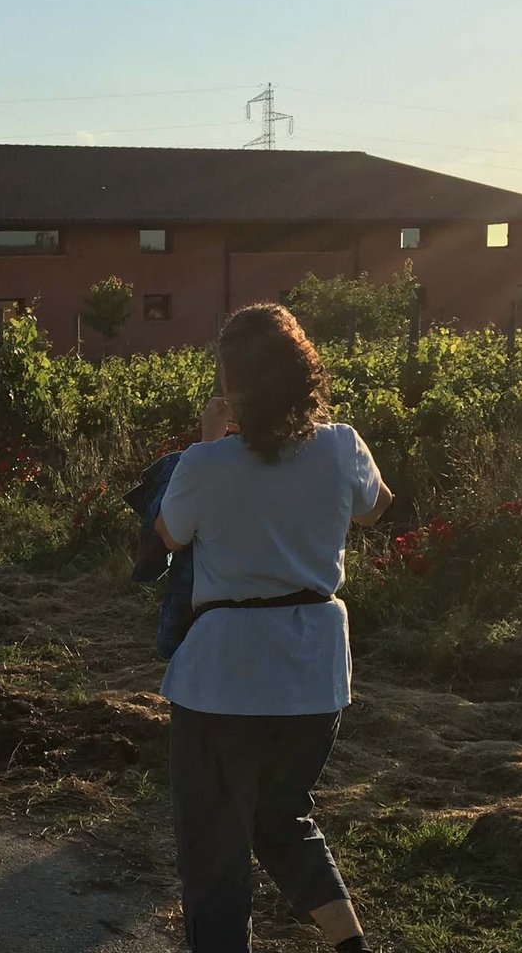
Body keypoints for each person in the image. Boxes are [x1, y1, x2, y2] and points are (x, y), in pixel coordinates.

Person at [153, 304, 394, 953]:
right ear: (304, 373)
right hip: (316, 672)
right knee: (283, 818)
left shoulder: (206, 464)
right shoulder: (341, 445)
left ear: (232, 384)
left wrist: (205, 444)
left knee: (214, 848)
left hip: (223, 680)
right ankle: (350, 943)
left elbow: (168, 537)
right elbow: (377, 510)